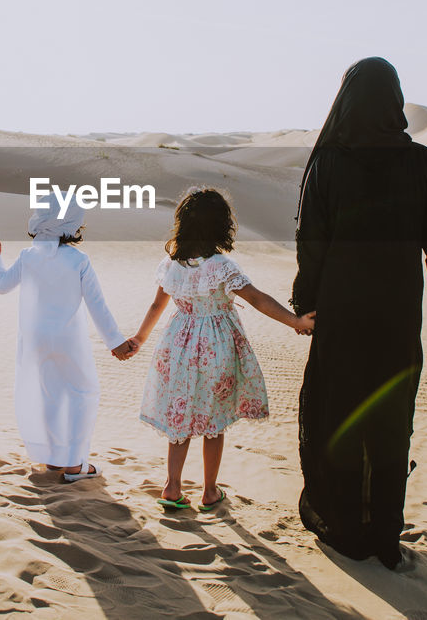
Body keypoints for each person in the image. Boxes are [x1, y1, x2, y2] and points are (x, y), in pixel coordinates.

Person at [290, 56, 427, 569]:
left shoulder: (330, 162)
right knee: (390, 419)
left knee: (338, 413)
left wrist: (306, 302)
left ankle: (345, 526)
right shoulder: (421, 162)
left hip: (341, 314)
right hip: (396, 313)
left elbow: (310, 242)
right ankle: (384, 532)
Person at [121, 188, 316, 511]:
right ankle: (210, 491)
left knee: (180, 414)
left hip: (179, 345)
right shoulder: (221, 266)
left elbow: (158, 304)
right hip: (216, 347)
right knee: (213, 421)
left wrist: (141, 338)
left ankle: (172, 486)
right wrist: (294, 319)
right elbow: (257, 298)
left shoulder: (173, 264)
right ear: (221, 226)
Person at [0, 201, 131, 480]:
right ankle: (75, 464)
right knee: (81, 394)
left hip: (34, 340)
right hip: (67, 340)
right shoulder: (78, 260)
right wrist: (116, 342)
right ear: (71, 225)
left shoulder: (28, 256)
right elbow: (96, 305)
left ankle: (52, 458)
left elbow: (1, 285)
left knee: (48, 395)